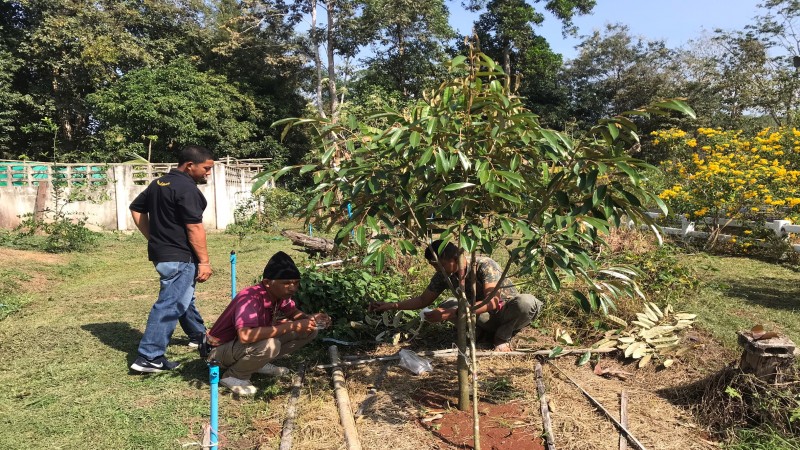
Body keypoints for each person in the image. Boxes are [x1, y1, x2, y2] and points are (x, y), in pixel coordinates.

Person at [128, 145, 215, 373]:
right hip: (180, 255)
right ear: (189, 166)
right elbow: (194, 227)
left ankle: (198, 335)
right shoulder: (187, 189)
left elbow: (136, 209)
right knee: (170, 303)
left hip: (162, 255)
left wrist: (154, 237)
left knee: (182, 296)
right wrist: (204, 262)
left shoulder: (158, 183)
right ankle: (148, 357)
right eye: (206, 168)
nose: (208, 173)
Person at [370, 240, 541, 352]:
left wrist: (452, 314)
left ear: (455, 257)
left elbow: (493, 302)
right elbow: (423, 300)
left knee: (526, 302)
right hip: (481, 317)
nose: (439, 271)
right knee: (447, 304)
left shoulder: (484, 265)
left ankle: (502, 336)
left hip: (506, 313)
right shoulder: (445, 275)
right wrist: (392, 305)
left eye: (441, 265)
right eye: (435, 267)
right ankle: (482, 334)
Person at [205, 251, 331, 396]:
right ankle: (234, 376)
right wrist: (292, 325)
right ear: (267, 283)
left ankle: (257, 363)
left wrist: (310, 319)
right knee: (271, 344)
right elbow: (245, 336)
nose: (293, 288)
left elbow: (293, 313)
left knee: (309, 330)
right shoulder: (250, 298)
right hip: (218, 352)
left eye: (296, 283)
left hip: (238, 347)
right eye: (286, 283)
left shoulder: (279, 295)